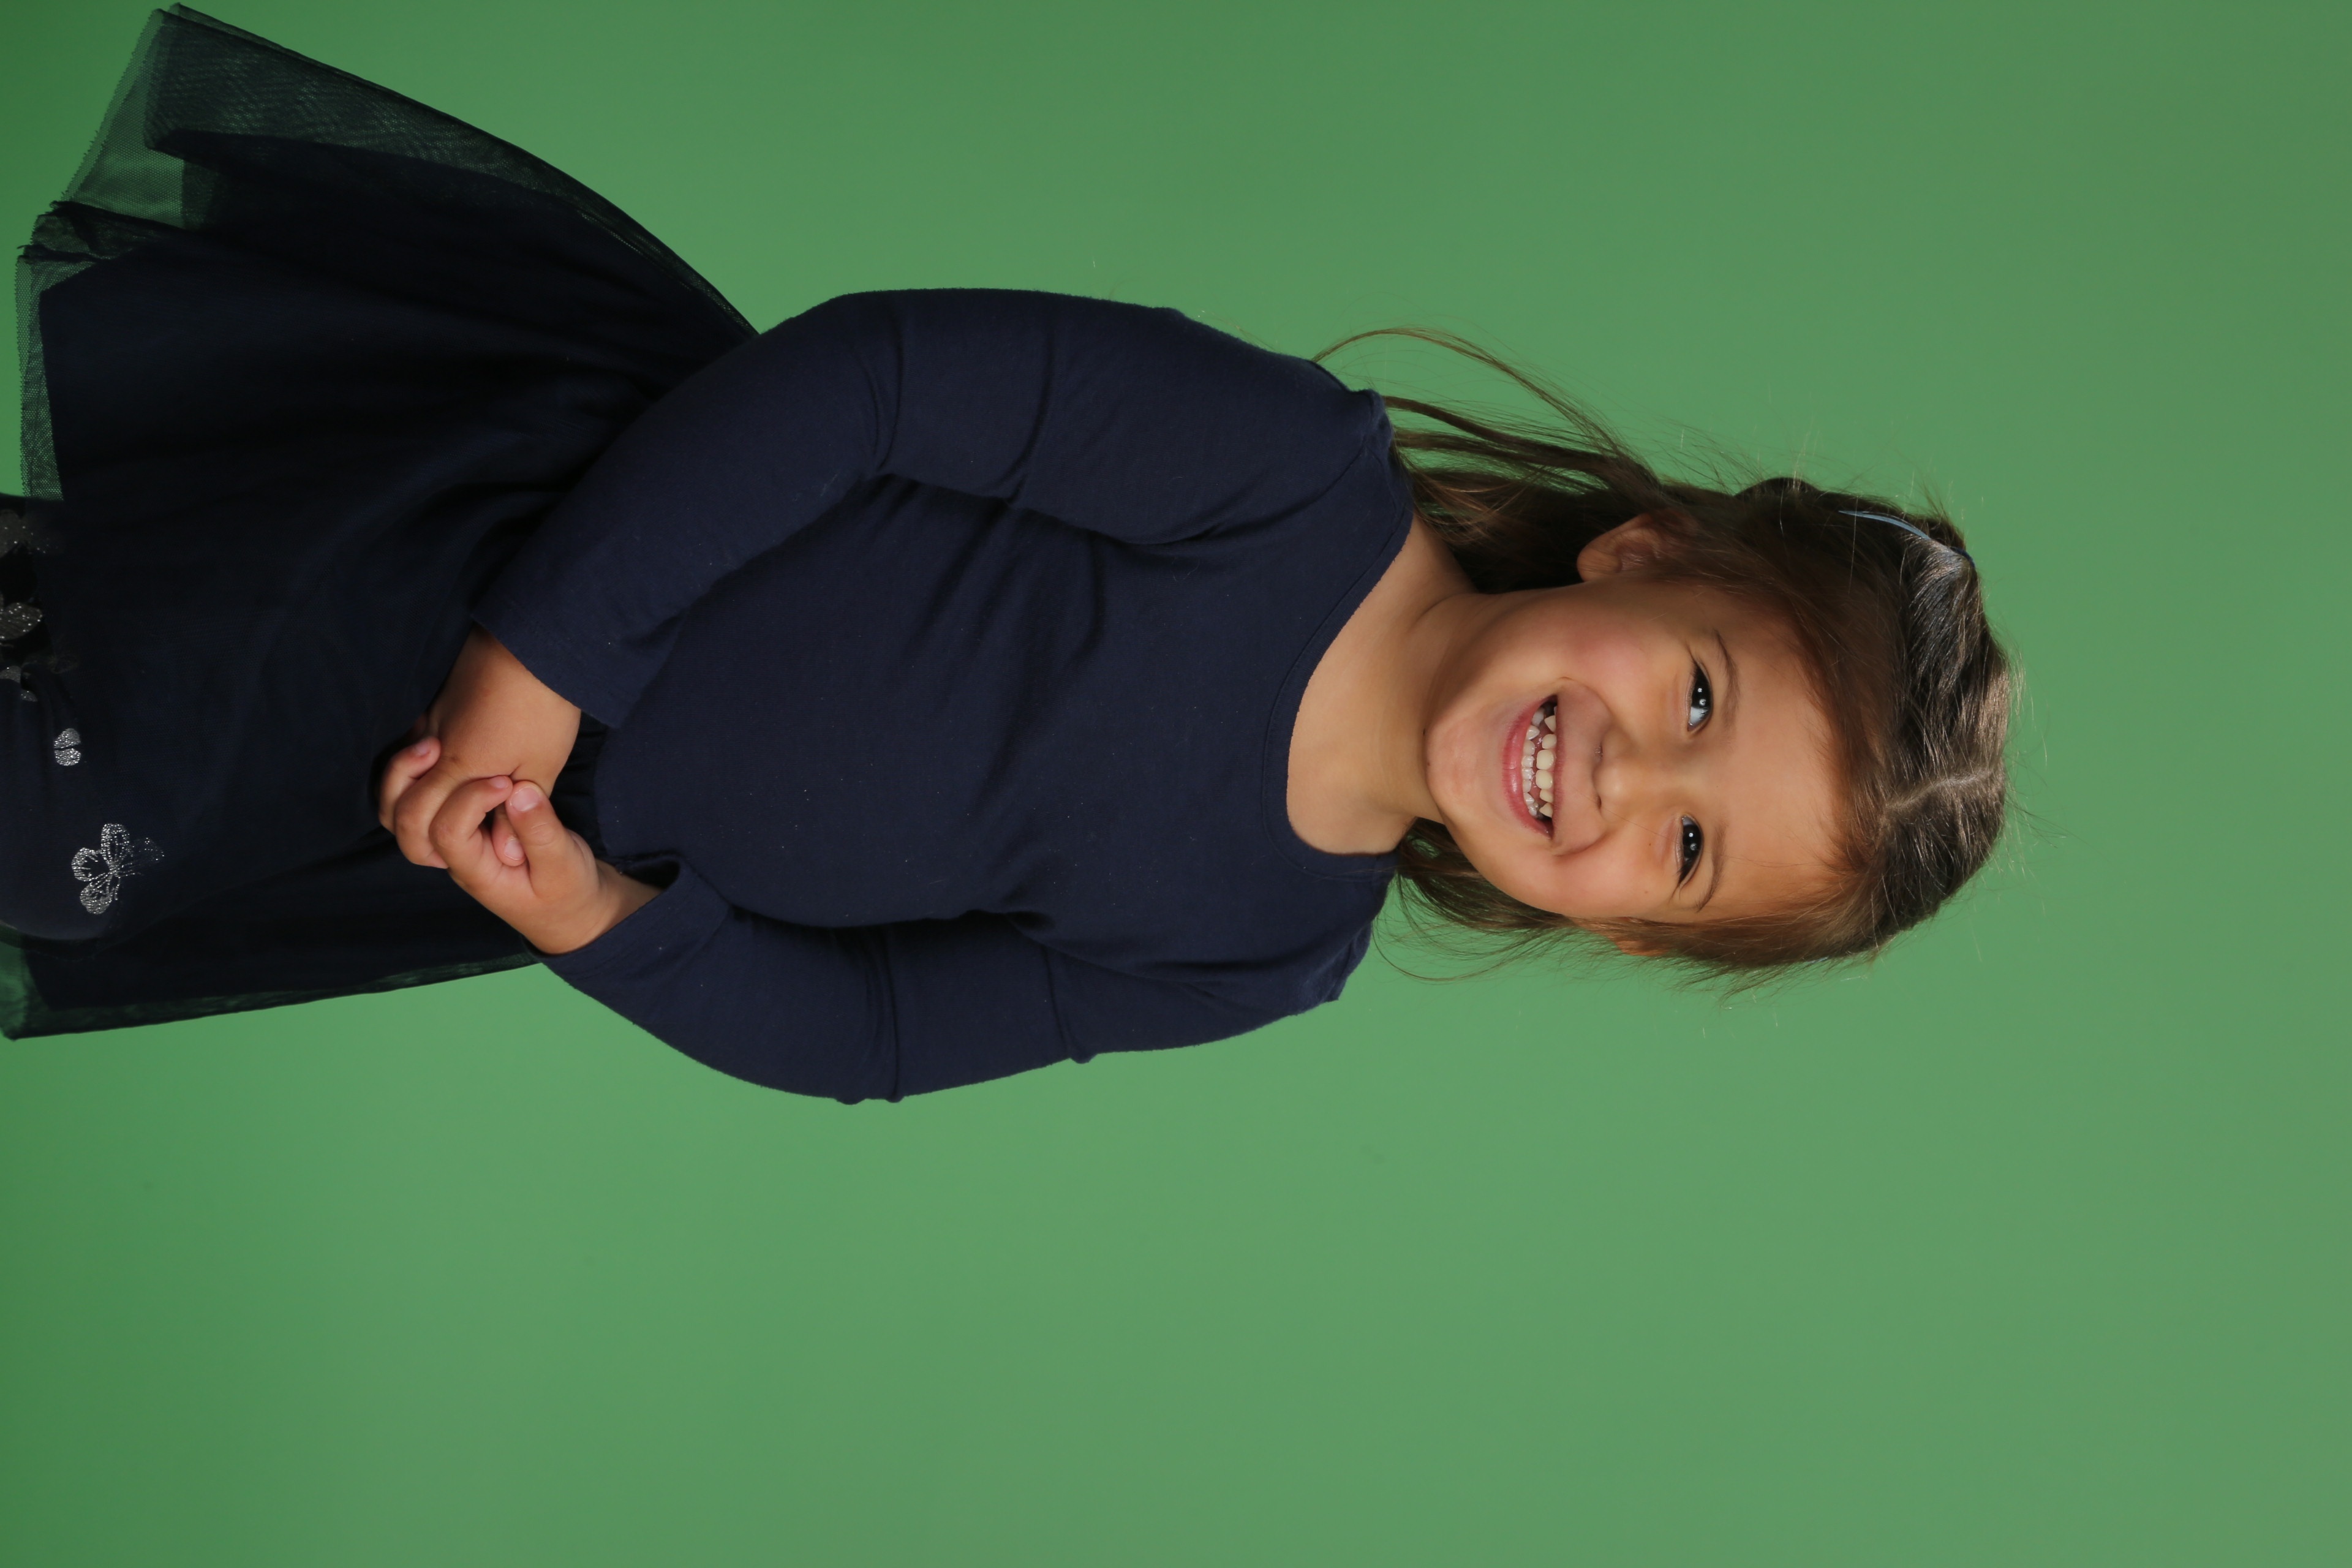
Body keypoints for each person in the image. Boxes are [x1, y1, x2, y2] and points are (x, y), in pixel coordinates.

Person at [1, 7, 2010, 1101]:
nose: (1627, 777)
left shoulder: (1265, 950)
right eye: (1696, 697)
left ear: (1638, 931)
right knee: (83, 753)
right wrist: (546, 652)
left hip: (498, 812)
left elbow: (880, 1029)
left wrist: (603, 919)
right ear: (1645, 557)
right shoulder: (1289, 483)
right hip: (517, 551)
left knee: (79, 829)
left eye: (1688, 847)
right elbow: (867, 385)